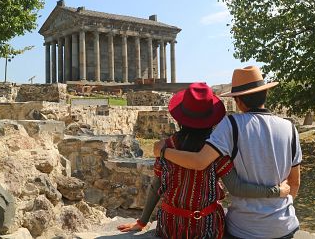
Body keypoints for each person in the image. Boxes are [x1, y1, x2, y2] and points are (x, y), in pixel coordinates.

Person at [117, 82, 290, 238]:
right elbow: (236, 187)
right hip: (206, 228)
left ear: (180, 117)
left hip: (170, 226)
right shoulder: (216, 151)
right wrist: (276, 191)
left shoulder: (166, 147)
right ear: (212, 118)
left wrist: (142, 221)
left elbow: (156, 185)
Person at [153, 67, 302, 239]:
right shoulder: (290, 128)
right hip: (284, 226)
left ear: (238, 101)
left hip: (244, 229)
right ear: (265, 94)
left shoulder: (231, 125)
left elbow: (200, 161)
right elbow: (295, 183)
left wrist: (162, 151)